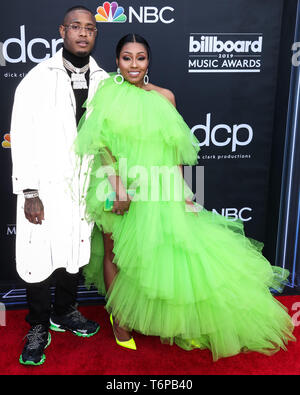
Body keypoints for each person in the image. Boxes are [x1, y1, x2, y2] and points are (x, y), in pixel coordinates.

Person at [74, 33, 296, 361]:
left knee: (162, 254)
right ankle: (119, 320)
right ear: (117, 60)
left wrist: (185, 193)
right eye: (126, 58)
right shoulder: (107, 93)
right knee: (114, 251)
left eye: (140, 58)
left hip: (159, 185)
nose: (134, 65)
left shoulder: (165, 97)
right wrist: (116, 183)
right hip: (114, 182)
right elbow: (99, 145)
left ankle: (170, 322)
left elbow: (177, 150)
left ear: (149, 62)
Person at [10, 5, 109, 366]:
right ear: (62, 31)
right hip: (46, 188)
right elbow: (20, 137)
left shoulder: (104, 82)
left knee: (75, 250)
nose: (83, 34)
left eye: (90, 29)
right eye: (76, 27)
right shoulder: (37, 80)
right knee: (39, 257)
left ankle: (65, 310)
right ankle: (37, 323)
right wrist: (30, 191)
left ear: (95, 35)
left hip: (85, 186)